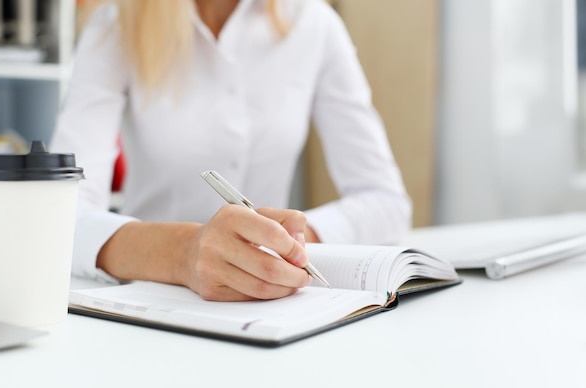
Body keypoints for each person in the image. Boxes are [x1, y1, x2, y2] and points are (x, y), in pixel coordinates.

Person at [50, 0, 412, 302]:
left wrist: (281, 244)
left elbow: (386, 202)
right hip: (146, 299)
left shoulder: (313, 22)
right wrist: (183, 252)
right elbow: (60, 213)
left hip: (269, 306)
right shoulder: (116, 24)